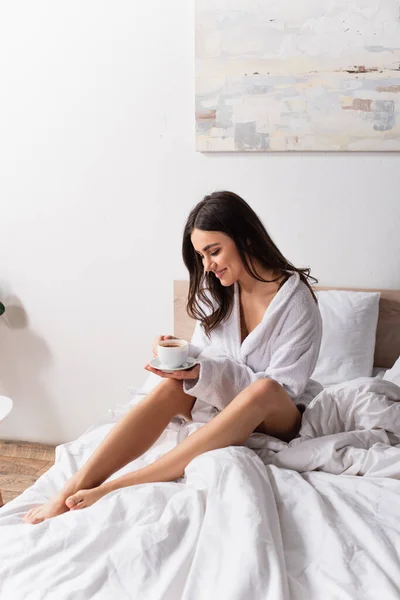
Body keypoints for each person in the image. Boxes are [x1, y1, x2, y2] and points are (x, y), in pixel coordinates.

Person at [24, 190, 322, 524]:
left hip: (279, 415)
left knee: (264, 389)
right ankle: (72, 488)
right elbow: (208, 356)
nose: (208, 266)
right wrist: (177, 350)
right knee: (170, 388)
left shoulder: (296, 302)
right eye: (201, 256)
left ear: (246, 239)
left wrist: (204, 371)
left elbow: (286, 387)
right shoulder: (218, 290)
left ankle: (120, 485)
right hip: (230, 401)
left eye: (214, 251)